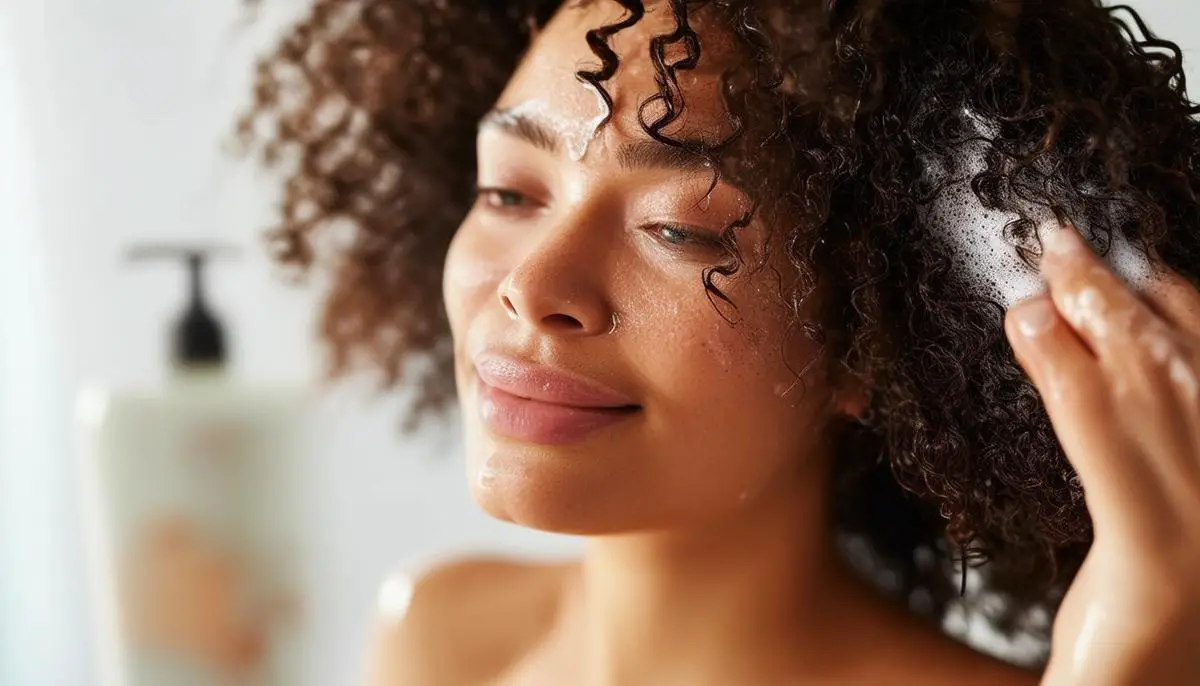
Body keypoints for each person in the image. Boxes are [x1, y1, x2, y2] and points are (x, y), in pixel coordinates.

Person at [240, 1, 1200, 683]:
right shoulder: (440, 637)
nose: (530, 290)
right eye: (508, 194)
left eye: (683, 230)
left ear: (868, 338)